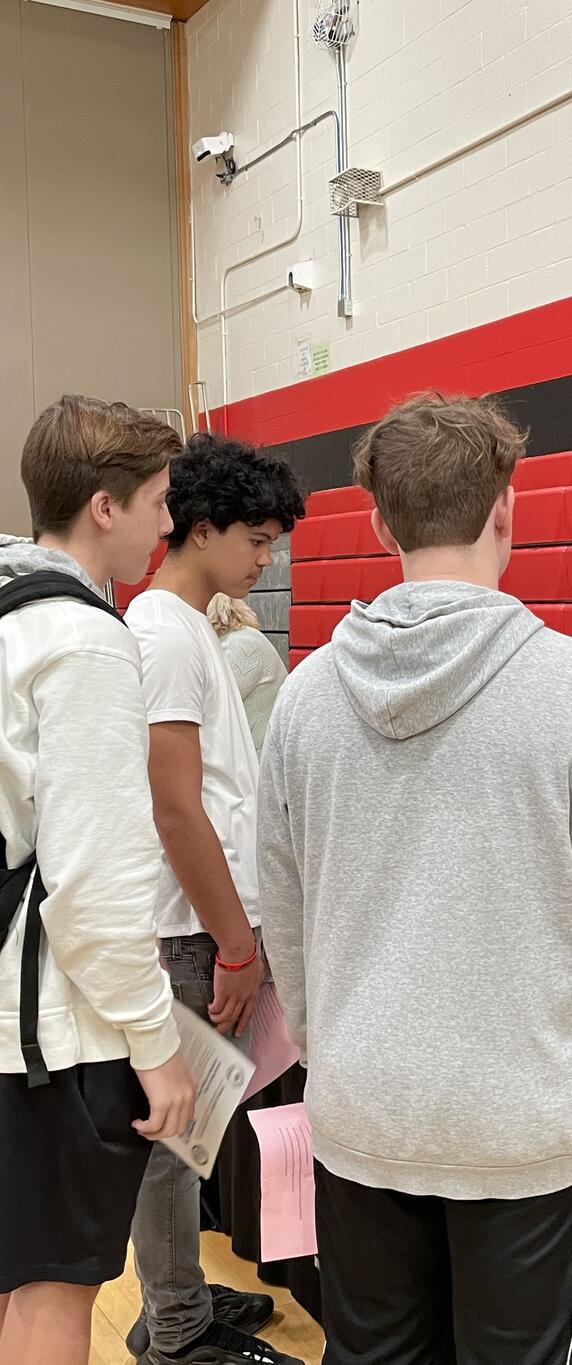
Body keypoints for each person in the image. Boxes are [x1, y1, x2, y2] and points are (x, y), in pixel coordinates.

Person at [259, 393, 572, 1365]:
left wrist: (329, 1043)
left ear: (380, 523)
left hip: (364, 1105)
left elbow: (283, 907)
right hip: (523, 1124)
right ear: (505, 508)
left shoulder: (303, 698)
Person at [0, 395, 196, 1365]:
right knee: (53, 1292)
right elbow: (93, 888)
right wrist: (159, 1048)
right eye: (158, 500)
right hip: (49, 1035)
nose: (168, 523)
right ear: (104, 507)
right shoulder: (83, 643)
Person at [124, 432, 305, 1365]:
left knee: (191, 1138)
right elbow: (176, 805)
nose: (264, 559)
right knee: (177, 1139)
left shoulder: (194, 624)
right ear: (201, 529)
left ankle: (175, 1298)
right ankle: (177, 1334)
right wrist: (236, 942)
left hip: (214, 926)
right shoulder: (162, 630)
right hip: (194, 933)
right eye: (256, 539)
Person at [207, 594, 287, 758]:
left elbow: (211, 705)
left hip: (258, 759)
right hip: (258, 753)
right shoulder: (242, 638)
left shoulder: (240, 646)